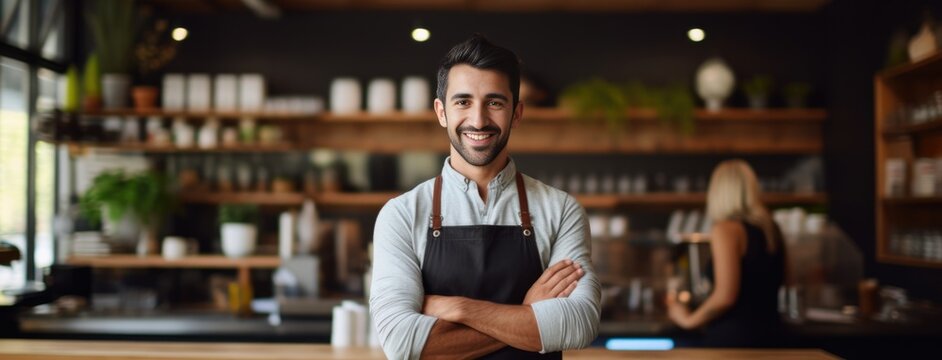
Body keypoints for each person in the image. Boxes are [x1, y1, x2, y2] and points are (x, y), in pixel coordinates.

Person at [369, 34, 601, 359]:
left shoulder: (560, 210)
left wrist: (459, 309)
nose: (478, 120)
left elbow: (579, 323)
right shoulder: (402, 215)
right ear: (441, 112)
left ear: (516, 113)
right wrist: (526, 313)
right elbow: (402, 343)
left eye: (495, 103)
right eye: (463, 102)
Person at [666, 159, 787, 347]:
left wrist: (687, 320)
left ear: (717, 192)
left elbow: (725, 297)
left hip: (734, 342)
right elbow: (787, 280)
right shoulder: (772, 229)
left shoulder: (726, 229)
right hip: (773, 337)